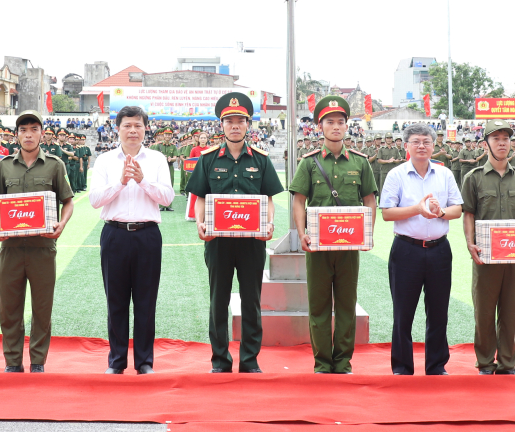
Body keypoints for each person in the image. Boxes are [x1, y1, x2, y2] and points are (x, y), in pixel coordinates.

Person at [188, 93, 283, 374]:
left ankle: (249, 361)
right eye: (229, 121)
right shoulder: (207, 160)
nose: (234, 126)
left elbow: (268, 198)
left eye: (240, 121)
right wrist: (200, 223)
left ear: (248, 125)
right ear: (222, 125)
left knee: (251, 300)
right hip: (218, 242)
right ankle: (220, 361)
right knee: (218, 300)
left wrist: (268, 224)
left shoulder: (261, 160)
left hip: (252, 242)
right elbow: (200, 197)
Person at [289, 96, 377, 374]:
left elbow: (370, 200)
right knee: (319, 305)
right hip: (317, 246)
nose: (336, 127)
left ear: (347, 125)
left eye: (340, 122)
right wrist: (301, 234)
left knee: (347, 304)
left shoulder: (361, 163)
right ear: (320, 126)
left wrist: (368, 234)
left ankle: (343, 361)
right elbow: (298, 201)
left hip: (349, 246)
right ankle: (322, 362)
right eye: (330, 122)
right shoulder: (309, 163)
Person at [89, 106, 174, 374]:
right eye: (127, 125)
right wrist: (121, 182)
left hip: (147, 235)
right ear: (118, 129)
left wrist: (142, 180)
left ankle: (145, 362)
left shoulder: (157, 159)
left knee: (146, 302)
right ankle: (116, 362)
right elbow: (94, 200)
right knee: (116, 300)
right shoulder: (104, 160)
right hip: (114, 234)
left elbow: (168, 198)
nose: (133, 130)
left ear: (145, 128)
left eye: (138, 125)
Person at [0, 110, 74, 373]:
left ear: (41, 134)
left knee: (42, 307)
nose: (28, 134)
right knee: (10, 308)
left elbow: (68, 201)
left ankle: (38, 361)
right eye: (23, 129)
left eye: (34, 129)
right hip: (11, 249)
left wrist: (62, 224)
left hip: (43, 248)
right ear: (16, 135)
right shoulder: (4, 166)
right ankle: (12, 361)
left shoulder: (55, 165)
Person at [379, 122, 463, 376]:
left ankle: (436, 366)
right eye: (416, 141)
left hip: (439, 250)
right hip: (407, 250)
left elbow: (457, 209)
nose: (422, 146)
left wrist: (441, 212)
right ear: (406, 146)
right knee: (403, 312)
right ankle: (402, 367)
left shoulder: (445, 174)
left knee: (438, 311)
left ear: (434, 146)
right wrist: (417, 209)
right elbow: (387, 213)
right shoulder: (396, 175)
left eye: (426, 141)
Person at [461, 119, 515, 375]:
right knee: (484, 312)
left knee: (510, 312)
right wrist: (470, 244)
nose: (502, 142)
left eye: (506, 138)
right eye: (496, 138)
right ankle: (485, 362)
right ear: (486, 144)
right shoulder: (473, 178)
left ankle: (507, 363)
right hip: (485, 257)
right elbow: (469, 214)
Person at [150, 127, 178, 212]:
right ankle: (161, 205)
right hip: (161, 168)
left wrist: (171, 159)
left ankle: (169, 205)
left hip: (170, 167)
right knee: (161, 185)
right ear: (163, 135)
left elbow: (175, 157)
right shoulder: (157, 145)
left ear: (171, 136)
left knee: (170, 185)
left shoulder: (173, 146)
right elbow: (152, 156)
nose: (168, 136)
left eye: (169, 134)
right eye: (166, 134)